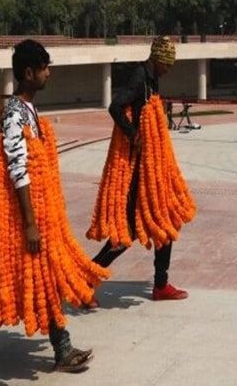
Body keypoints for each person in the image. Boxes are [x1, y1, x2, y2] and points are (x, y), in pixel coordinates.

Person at [0, 39, 104, 373]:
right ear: (29, 73)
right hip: (21, 220)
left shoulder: (28, 112)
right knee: (41, 276)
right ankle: (61, 349)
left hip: (34, 216)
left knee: (32, 278)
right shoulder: (13, 115)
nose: (49, 74)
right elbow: (17, 168)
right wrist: (31, 222)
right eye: (45, 68)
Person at [86, 36, 198, 305]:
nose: (168, 69)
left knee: (164, 220)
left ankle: (161, 285)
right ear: (158, 59)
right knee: (126, 234)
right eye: (167, 64)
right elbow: (115, 107)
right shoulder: (139, 77)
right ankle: (85, 278)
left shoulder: (152, 78)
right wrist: (134, 135)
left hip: (151, 168)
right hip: (137, 171)